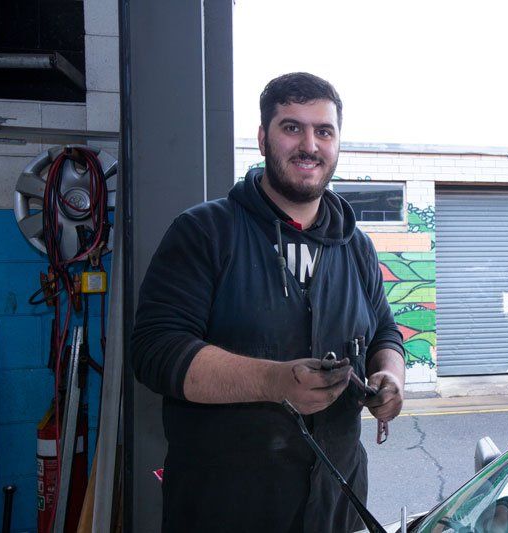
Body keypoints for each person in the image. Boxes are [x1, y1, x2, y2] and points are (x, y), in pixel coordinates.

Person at [131, 72, 405, 533]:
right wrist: (274, 381)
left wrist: (390, 377)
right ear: (263, 138)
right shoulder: (205, 232)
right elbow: (156, 350)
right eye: (291, 127)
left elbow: (385, 332)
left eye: (324, 131)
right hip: (226, 508)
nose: (310, 145)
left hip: (337, 504)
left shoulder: (355, 245)